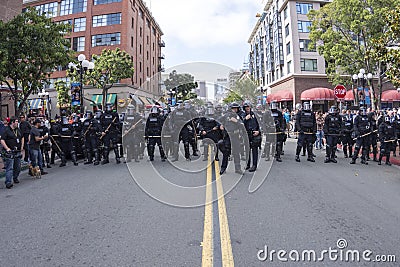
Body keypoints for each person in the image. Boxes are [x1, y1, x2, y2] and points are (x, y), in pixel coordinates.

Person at [218, 102, 244, 175]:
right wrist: (220, 125)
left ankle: (238, 168)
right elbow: (218, 120)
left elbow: (242, 125)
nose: (235, 110)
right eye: (233, 108)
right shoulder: (226, 116)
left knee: (236, 152)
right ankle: (223, 168)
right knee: (226, 152)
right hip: (228, 136)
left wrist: (236, 121)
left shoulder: (238, 116)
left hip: (235, 136)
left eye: (236, 108)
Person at [1, 117, 24, 188]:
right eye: (16, 121)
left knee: (18, 166)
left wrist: (22, 147)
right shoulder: (6, 130)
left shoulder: (18, 130)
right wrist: (7, 148)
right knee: (10, 167)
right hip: (10, 152)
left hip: (17, 151)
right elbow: (2, 140)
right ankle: (8, 182)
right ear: (12, 122)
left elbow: (22, 137)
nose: (17, 123)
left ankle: (15, 177)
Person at [242, 101, 261, 172]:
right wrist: (245, 119)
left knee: (254, 150)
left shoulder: (255, 114)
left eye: (248, 107)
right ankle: (248, 164)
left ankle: (254, 165)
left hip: (254, 134)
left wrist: (258, 131)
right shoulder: (243, 115)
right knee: (247, 150)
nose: (247, 108)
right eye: (246, 107)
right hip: (246, 134)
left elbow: (261, 124)